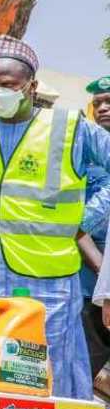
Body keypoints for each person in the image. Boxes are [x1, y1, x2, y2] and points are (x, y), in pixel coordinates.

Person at [0, 37, 110, 400]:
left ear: (31, 87)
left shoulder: (69, 129)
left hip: (44, 280)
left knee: (43, 371)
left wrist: (85, 220)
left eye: (8, 85)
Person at [78, 77, 110, 379]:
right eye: (98, 103)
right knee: (82, 370)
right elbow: (76, 226)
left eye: (109, 101)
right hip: (92, 290)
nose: (103, 108)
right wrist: (105, 277)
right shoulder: (87, 162)